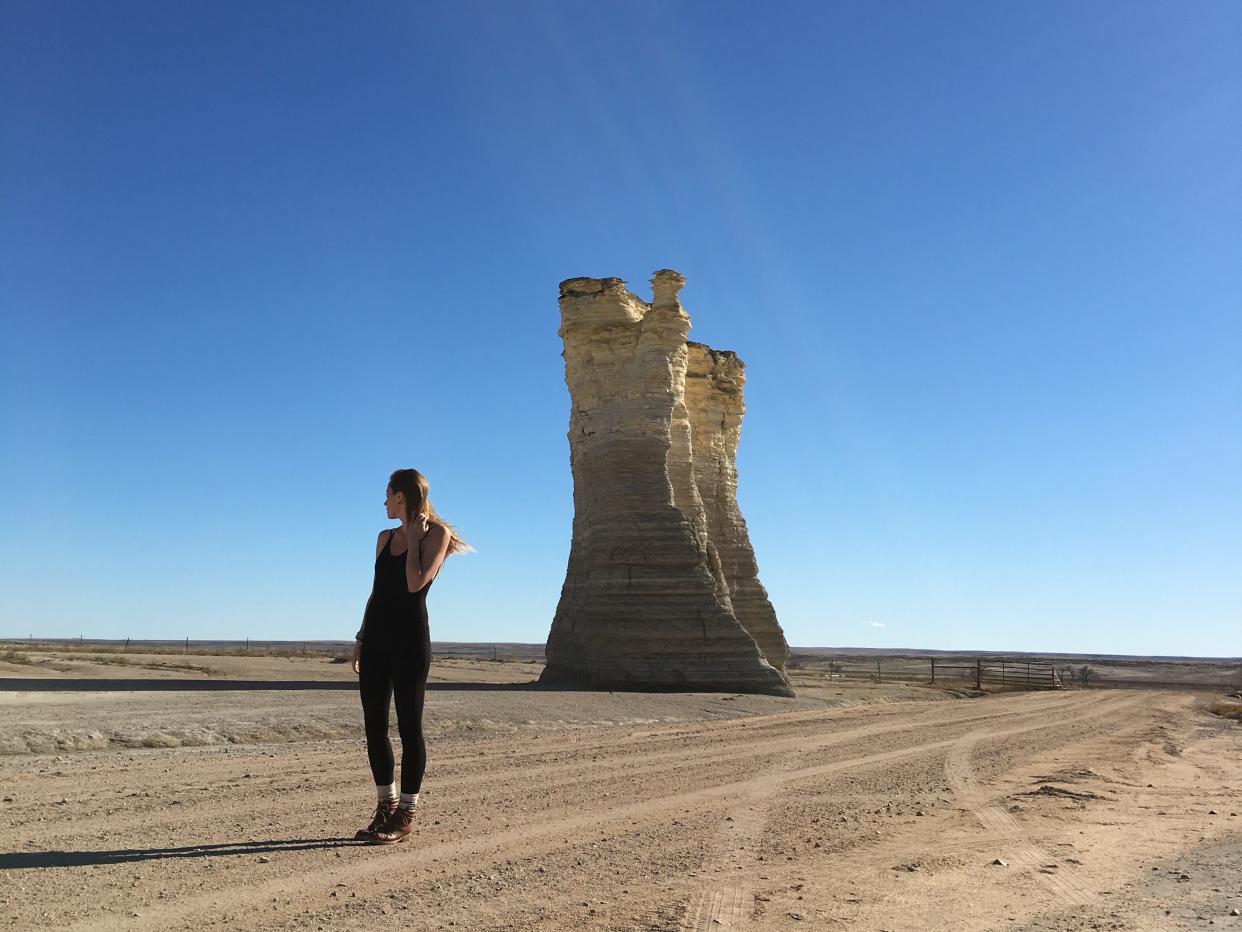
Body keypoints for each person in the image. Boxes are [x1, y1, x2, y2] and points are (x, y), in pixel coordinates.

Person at [352, 468, 469, 844]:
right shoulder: (383, 538)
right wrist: (360, 637)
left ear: (401, 496)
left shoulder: (437, 534)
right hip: (376, 642)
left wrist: (416, 540)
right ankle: (385, 807)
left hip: (410, 643)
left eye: (387, 495)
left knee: (408, 727)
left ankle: (406, 813)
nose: (384, 502)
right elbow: (377, 593)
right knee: (374, 726)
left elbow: (414, 582)